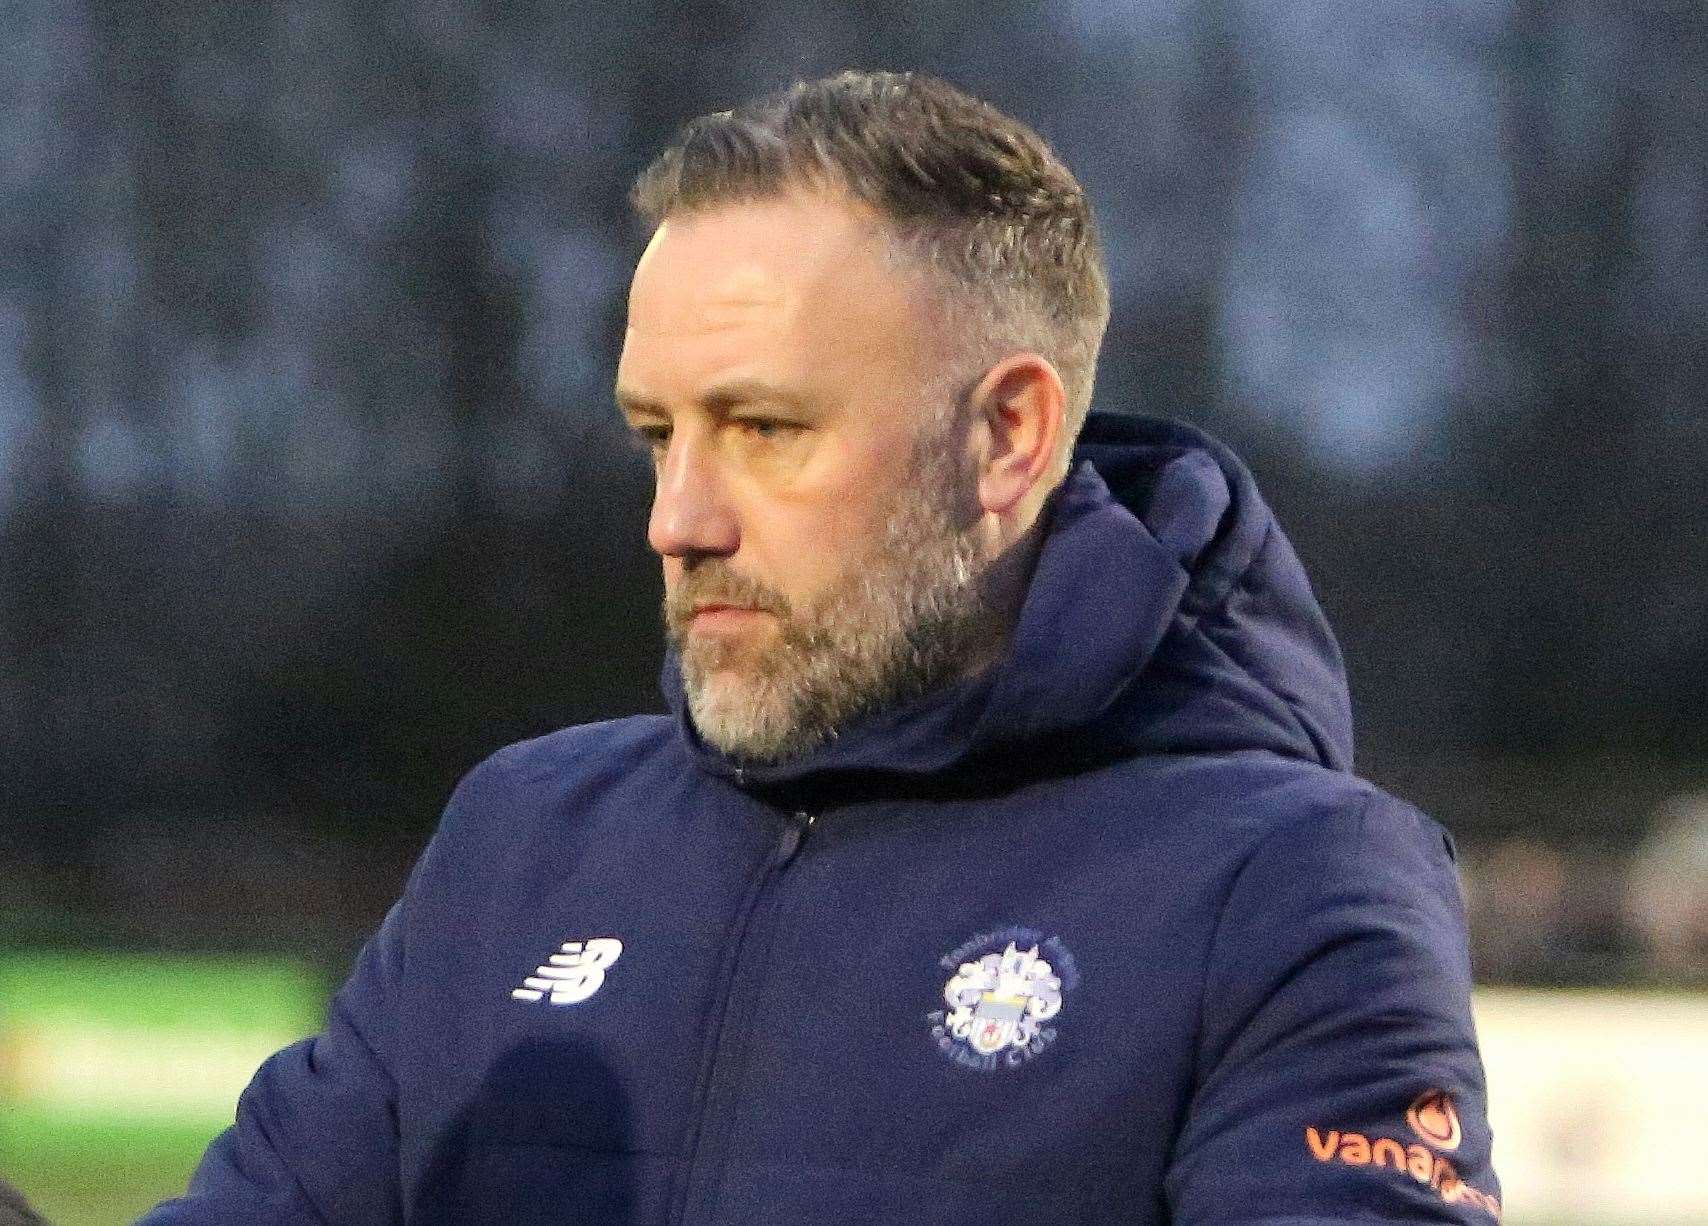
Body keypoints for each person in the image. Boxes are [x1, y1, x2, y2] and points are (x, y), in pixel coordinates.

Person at [141, 70, 1500, 1224]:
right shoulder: (523, 836)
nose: (678, 518)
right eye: (655, 435)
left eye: (765, 428)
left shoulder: (1288, 883)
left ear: (1008, 438)